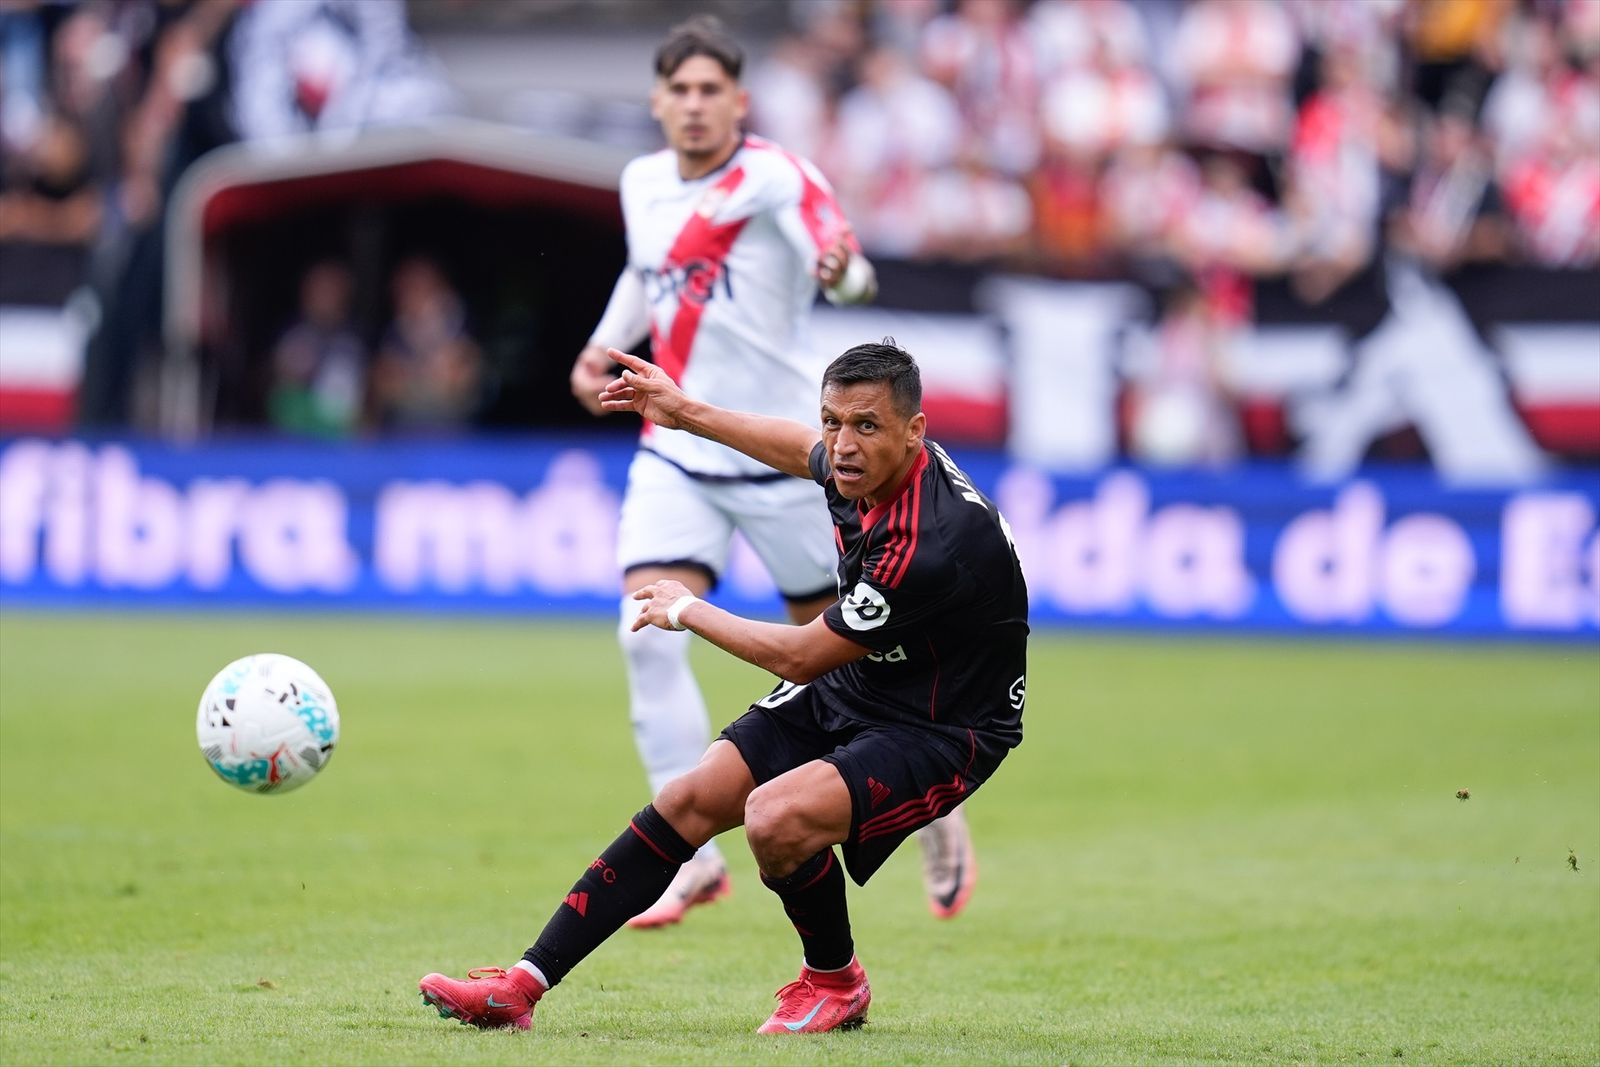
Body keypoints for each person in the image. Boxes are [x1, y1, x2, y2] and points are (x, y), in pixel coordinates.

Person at [420, 342, 1028, 1034]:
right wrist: (684, 413)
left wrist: (689, 609)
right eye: (833, 420)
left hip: (945, 724)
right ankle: (519, 987)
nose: (843, 444)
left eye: (864, 425)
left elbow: (800, 657)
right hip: (870, 676)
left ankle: (836, 981)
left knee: (774, 818)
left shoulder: (931, 543)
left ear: (914, 432)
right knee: (688, 797)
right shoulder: (865, 462)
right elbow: (801, 448)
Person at [567, 15, 977, 928]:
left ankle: (937, 812)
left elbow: (849, 263)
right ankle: (694, 860)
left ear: (739, 102)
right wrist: (604, 344)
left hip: (785, 456)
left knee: (846, 672)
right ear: (658, 102)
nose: (696, 105)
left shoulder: (775, 175)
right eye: (681, 90)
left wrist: (845, 270)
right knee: (643, 628)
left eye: (712, 90)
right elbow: (648, 270)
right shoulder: (642, 181)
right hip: (676, 447)